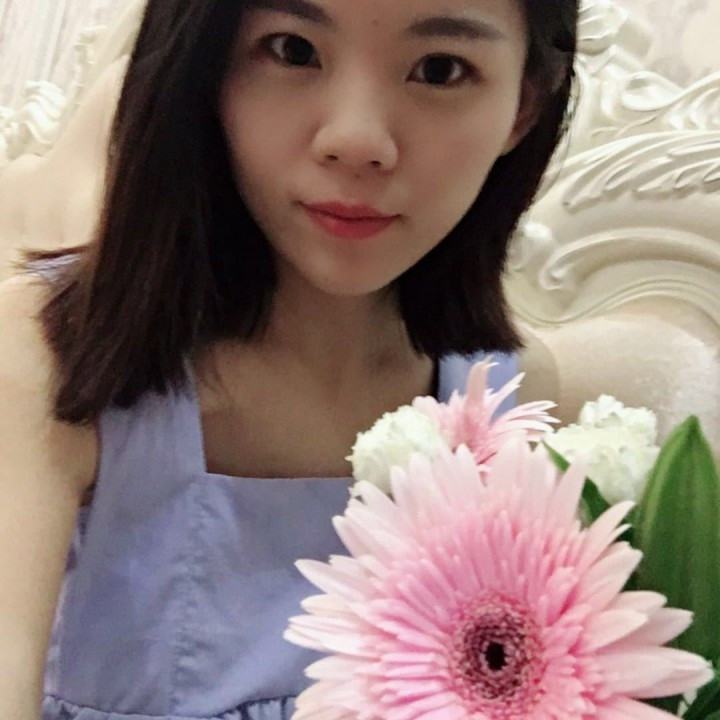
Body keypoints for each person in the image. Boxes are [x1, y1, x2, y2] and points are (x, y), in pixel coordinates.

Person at [0, 0, 578, 717]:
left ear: (523, 106)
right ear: (205, 71)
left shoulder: (511, 402)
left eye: (439, 70)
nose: (356, 140)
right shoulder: (46, 357)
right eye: (292, 50)